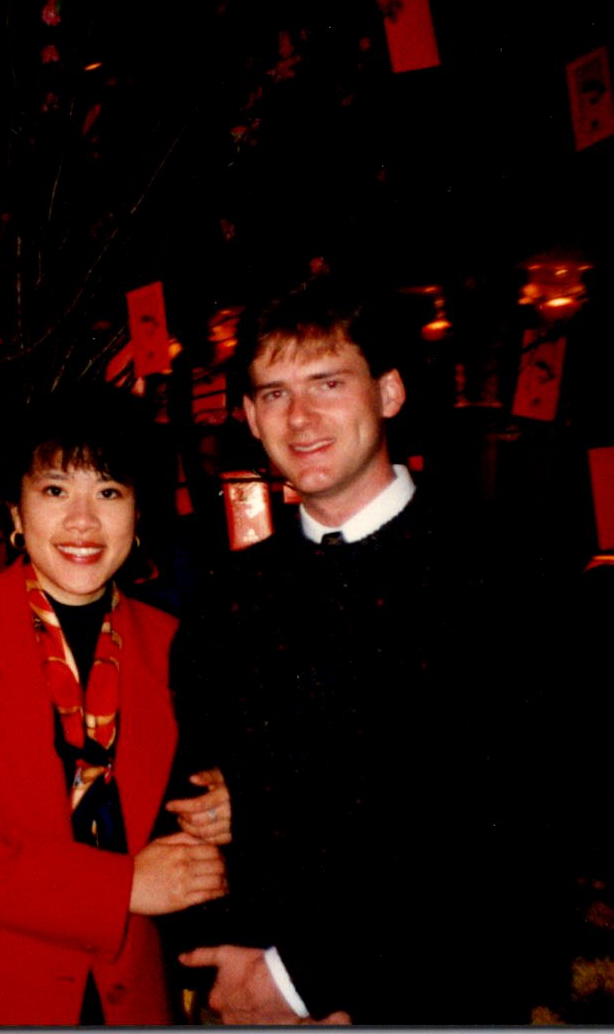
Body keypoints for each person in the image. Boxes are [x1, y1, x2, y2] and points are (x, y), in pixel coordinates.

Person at [169, 277, 539, 1025]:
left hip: (428, 1001)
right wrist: (228, 971)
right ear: (249, 416)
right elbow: (196, 800)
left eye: (328, 383)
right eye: (274, 394)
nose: (300, 417)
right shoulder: (227, 597)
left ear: (390, 393)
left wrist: (305, 982)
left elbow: (502, 828)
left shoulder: (496, 576)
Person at [0, 390, 228, 1026]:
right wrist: (121, 888)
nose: (82, 521)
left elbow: (204, 808)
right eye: (55, 491)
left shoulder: (175, 648)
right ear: (16, 508)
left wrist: (229, 808)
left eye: (109, 492)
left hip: (129, 1001)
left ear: (138, 512)